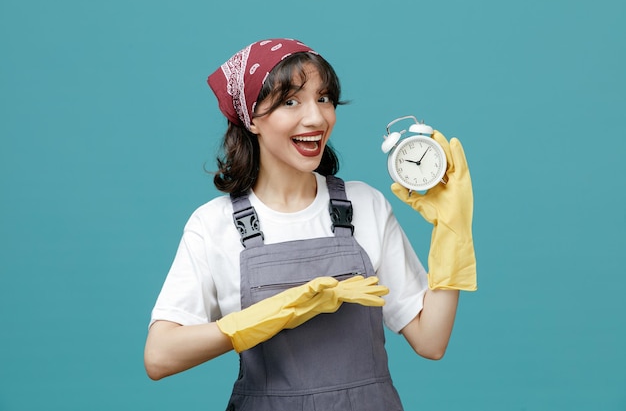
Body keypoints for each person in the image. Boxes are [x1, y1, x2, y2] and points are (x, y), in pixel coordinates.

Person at [144, 38, 477, 411]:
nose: (317, 118)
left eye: (324, 98)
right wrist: (271, 314)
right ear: (251, 118)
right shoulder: (214, 225)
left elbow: (431, 341)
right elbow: (159, 357)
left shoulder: (364, 205)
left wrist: (452, 230)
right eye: (290, 102)